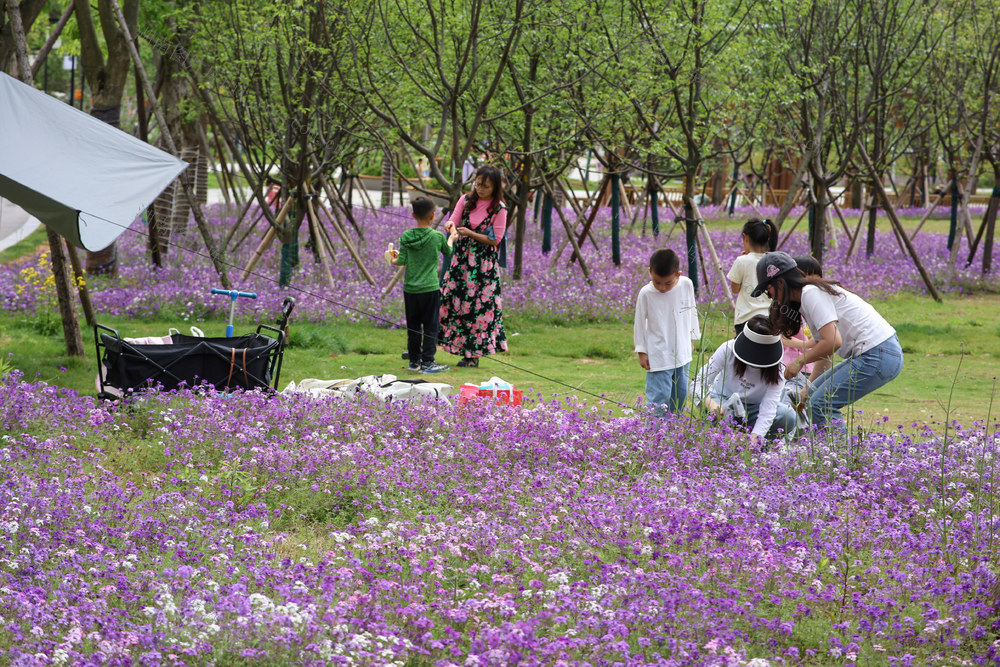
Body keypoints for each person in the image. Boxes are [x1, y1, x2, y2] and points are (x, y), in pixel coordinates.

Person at [751, 251, 904, 428]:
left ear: (779, 282)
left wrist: (799, 361)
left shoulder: (810, 293)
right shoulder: (806, 299)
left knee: (821, 404)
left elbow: (833, 342)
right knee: (813, 400)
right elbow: (826, 352)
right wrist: (807, 389)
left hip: (878, 354)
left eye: (768, 291)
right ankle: (833, 451)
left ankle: (837, 454)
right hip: (880, 353)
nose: (770, 298)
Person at [439, 165, 508, 368]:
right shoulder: (466, 200)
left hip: (483, 268)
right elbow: (453, 218)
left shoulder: (499, 209)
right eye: (477, 184)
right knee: (452, 299)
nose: (480, 188)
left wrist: (470, 233)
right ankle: (451, 345)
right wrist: (450, 225)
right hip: (460, 262)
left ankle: (473, 356)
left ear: (495, 187)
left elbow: (495, 240)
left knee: (478, 309)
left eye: (485, 186)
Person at [691, 315, 798, 444]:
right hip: (723, 402)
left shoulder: (778, 369)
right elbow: (696, 385)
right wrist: (710, 404)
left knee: (787, 415)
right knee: (722, 417)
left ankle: (762, 450)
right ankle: (719, 447)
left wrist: (754, 441)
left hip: (755, 409)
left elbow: (768, 411)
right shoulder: (728, 349)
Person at [387, 196, 458, 374]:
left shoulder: (406, 236)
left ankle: (414, 361)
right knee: (431, 326)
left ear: (413, 214)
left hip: (411, 289)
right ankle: (428, 362)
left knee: (413, 326)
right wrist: (452, 238)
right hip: (430, 289)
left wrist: (391, 257)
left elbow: (401, 260)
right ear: (433, 216)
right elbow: (448, 251)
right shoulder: (437, 237)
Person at [634, 248, 701, 415]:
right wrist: (642, 351)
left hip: (682, 351)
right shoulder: (646, 293)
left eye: (668, 283)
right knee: (659, 397)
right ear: (650, 272)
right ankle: (654, 434)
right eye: (657, 282)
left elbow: (691, 310)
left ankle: (672, 434)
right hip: (659, 354)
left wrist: (692, 337)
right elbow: (640, 323)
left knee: (680, 395)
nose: (662, 287)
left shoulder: (686, 284)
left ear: (678, 275)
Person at [779, 255, 823, 397]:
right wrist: (806, 344)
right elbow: (783, 337)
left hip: (812, 365)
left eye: (817, 279)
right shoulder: (788, 307)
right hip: (790, 363)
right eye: (808, 278)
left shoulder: (818, 305)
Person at [727, 218, 778, 335]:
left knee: (746, 352)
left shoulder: (742, 261)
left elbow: (735, 289)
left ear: (746, 237)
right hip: (770, 317)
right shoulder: (774, 261)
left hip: (746, 318)